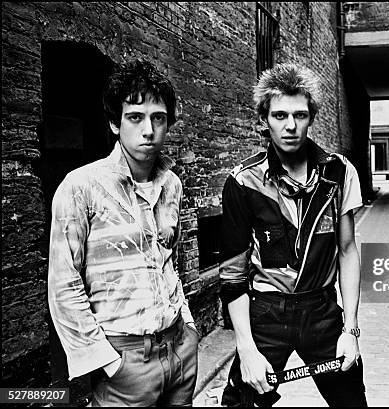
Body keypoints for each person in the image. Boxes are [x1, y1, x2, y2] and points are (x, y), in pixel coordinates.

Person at [47, 59, 199, 406]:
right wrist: (108, 362)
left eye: (158, 118)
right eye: (136, 118)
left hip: (179, 350)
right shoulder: (81, 187)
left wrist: (188, 328)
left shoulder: (171, 184)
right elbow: (64, 285)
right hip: (126, 361)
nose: (149, 130)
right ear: (115, 123)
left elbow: (167, 261)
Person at [219, 63, 367, 407]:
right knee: (241, 403)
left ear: (311, 117)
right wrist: (246, 349)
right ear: (264, 119)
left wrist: (351, 330)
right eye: (279, 115)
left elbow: (347, 250)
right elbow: (232, 274)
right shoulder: (243, 182)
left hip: (322, 310)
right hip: (267, 313)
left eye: (299, 115)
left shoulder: (337, 172)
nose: (290, 126)